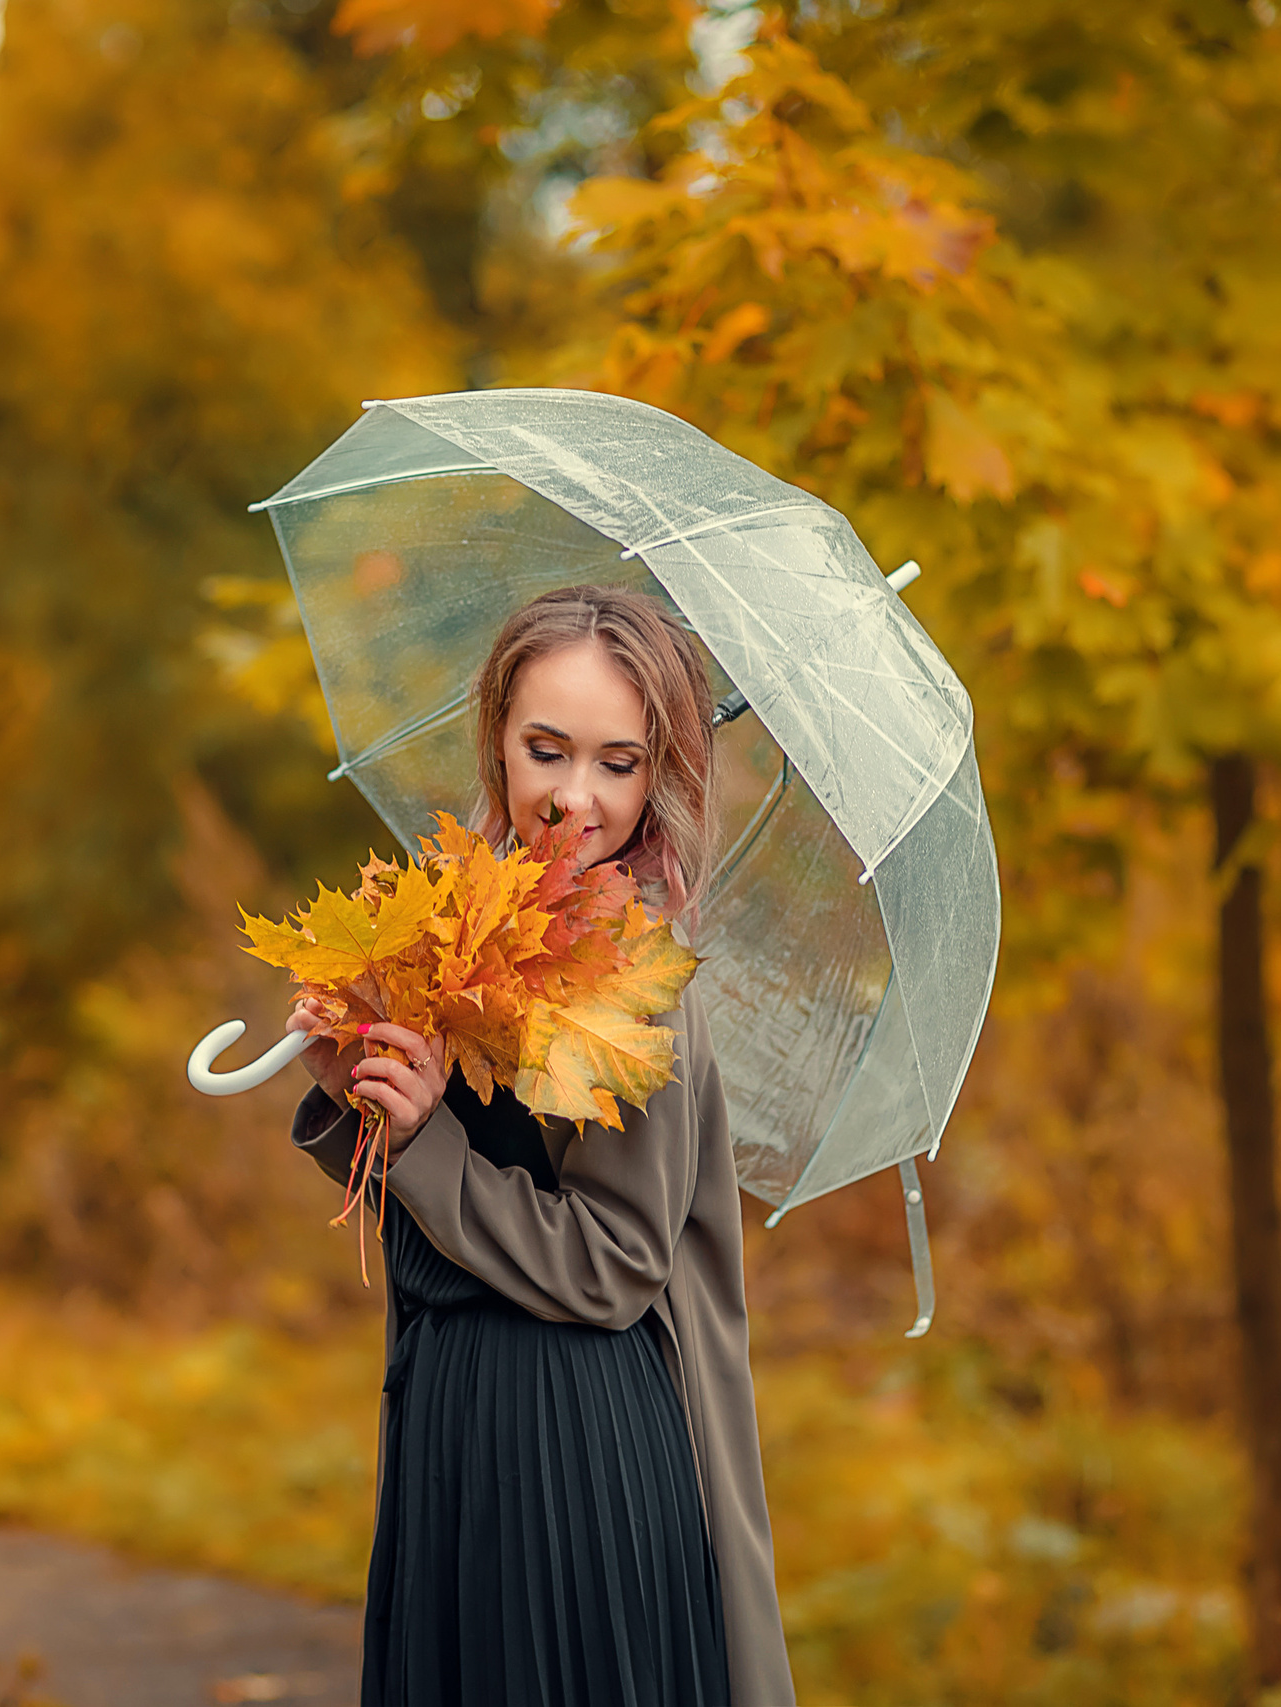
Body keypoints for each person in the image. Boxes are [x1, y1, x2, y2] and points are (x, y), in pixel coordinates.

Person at [282, 585, 796, 1707]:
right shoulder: (468, 931)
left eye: (618, 763)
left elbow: (613, 1261)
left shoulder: (635, 972)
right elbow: (449, 1198)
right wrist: (359, 1094)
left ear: (658, 774)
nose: (574, 797)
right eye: (547, 750)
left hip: (571, 1449)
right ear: (497, 738)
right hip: (453, 1424)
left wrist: (423, 1143)